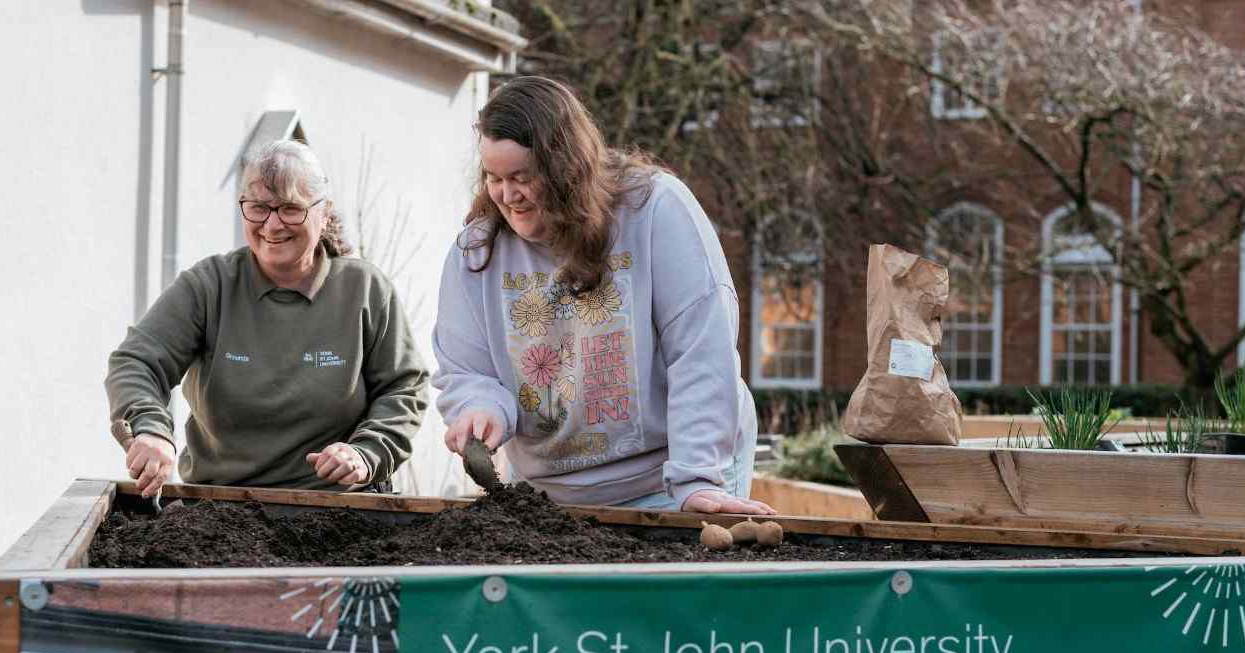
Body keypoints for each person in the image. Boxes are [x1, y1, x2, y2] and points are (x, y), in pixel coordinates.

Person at [433, 76, 776, 515]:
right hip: (549, 496)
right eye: (493, 178)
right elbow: (466, 369)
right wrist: (481, 407)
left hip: (674, 478)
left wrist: (696, 478)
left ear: (564, 169)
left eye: (521, 177)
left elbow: (701, 351)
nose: (506, 195)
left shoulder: (654, 210)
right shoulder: (476, 252)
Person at [106, 139, 430, 496]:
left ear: (324, 213)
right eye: (259, 208)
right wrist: (151, 428)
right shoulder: (209, 287)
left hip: (341, 507)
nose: (273, 225)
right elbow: (136, 361)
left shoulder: (365, 290)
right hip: (222, 505)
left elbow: (404, 387)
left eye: (291, 209)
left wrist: (366, 452)